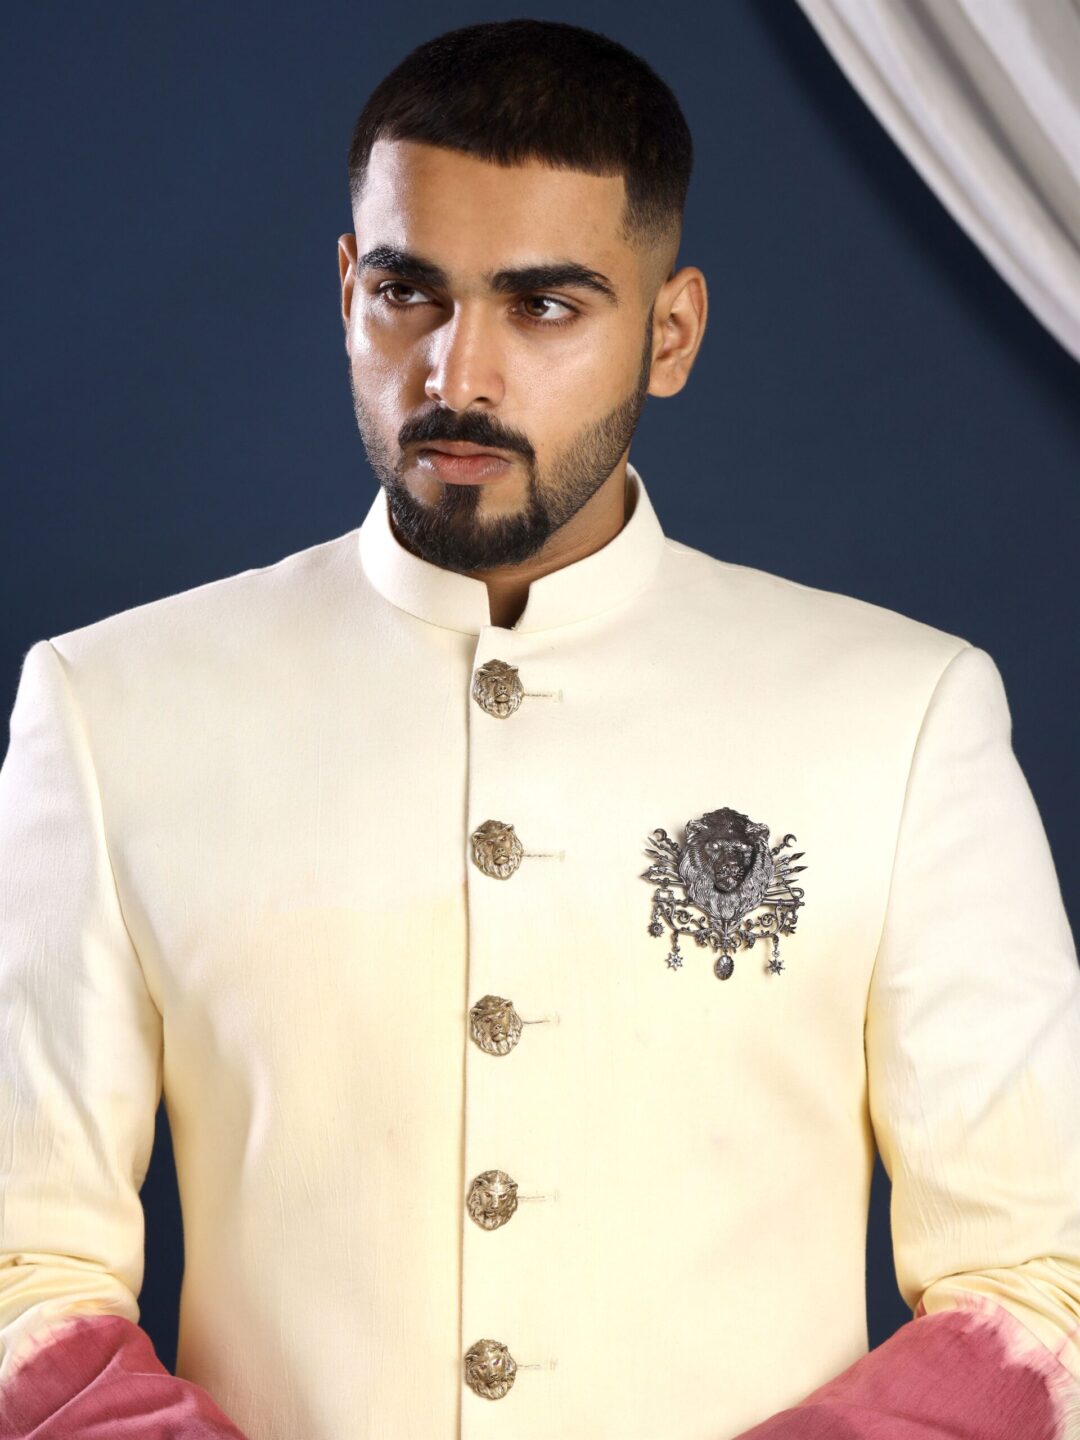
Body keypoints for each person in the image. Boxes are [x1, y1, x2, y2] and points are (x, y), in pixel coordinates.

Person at [1, 17, 1077, 1440]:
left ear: (670, 333)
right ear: (346, 290)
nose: (459, 376)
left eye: (546, 307)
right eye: (408, 293)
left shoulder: (903, 714)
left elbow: (1037, 1278)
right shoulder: (110, 704)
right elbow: (23, 1269)